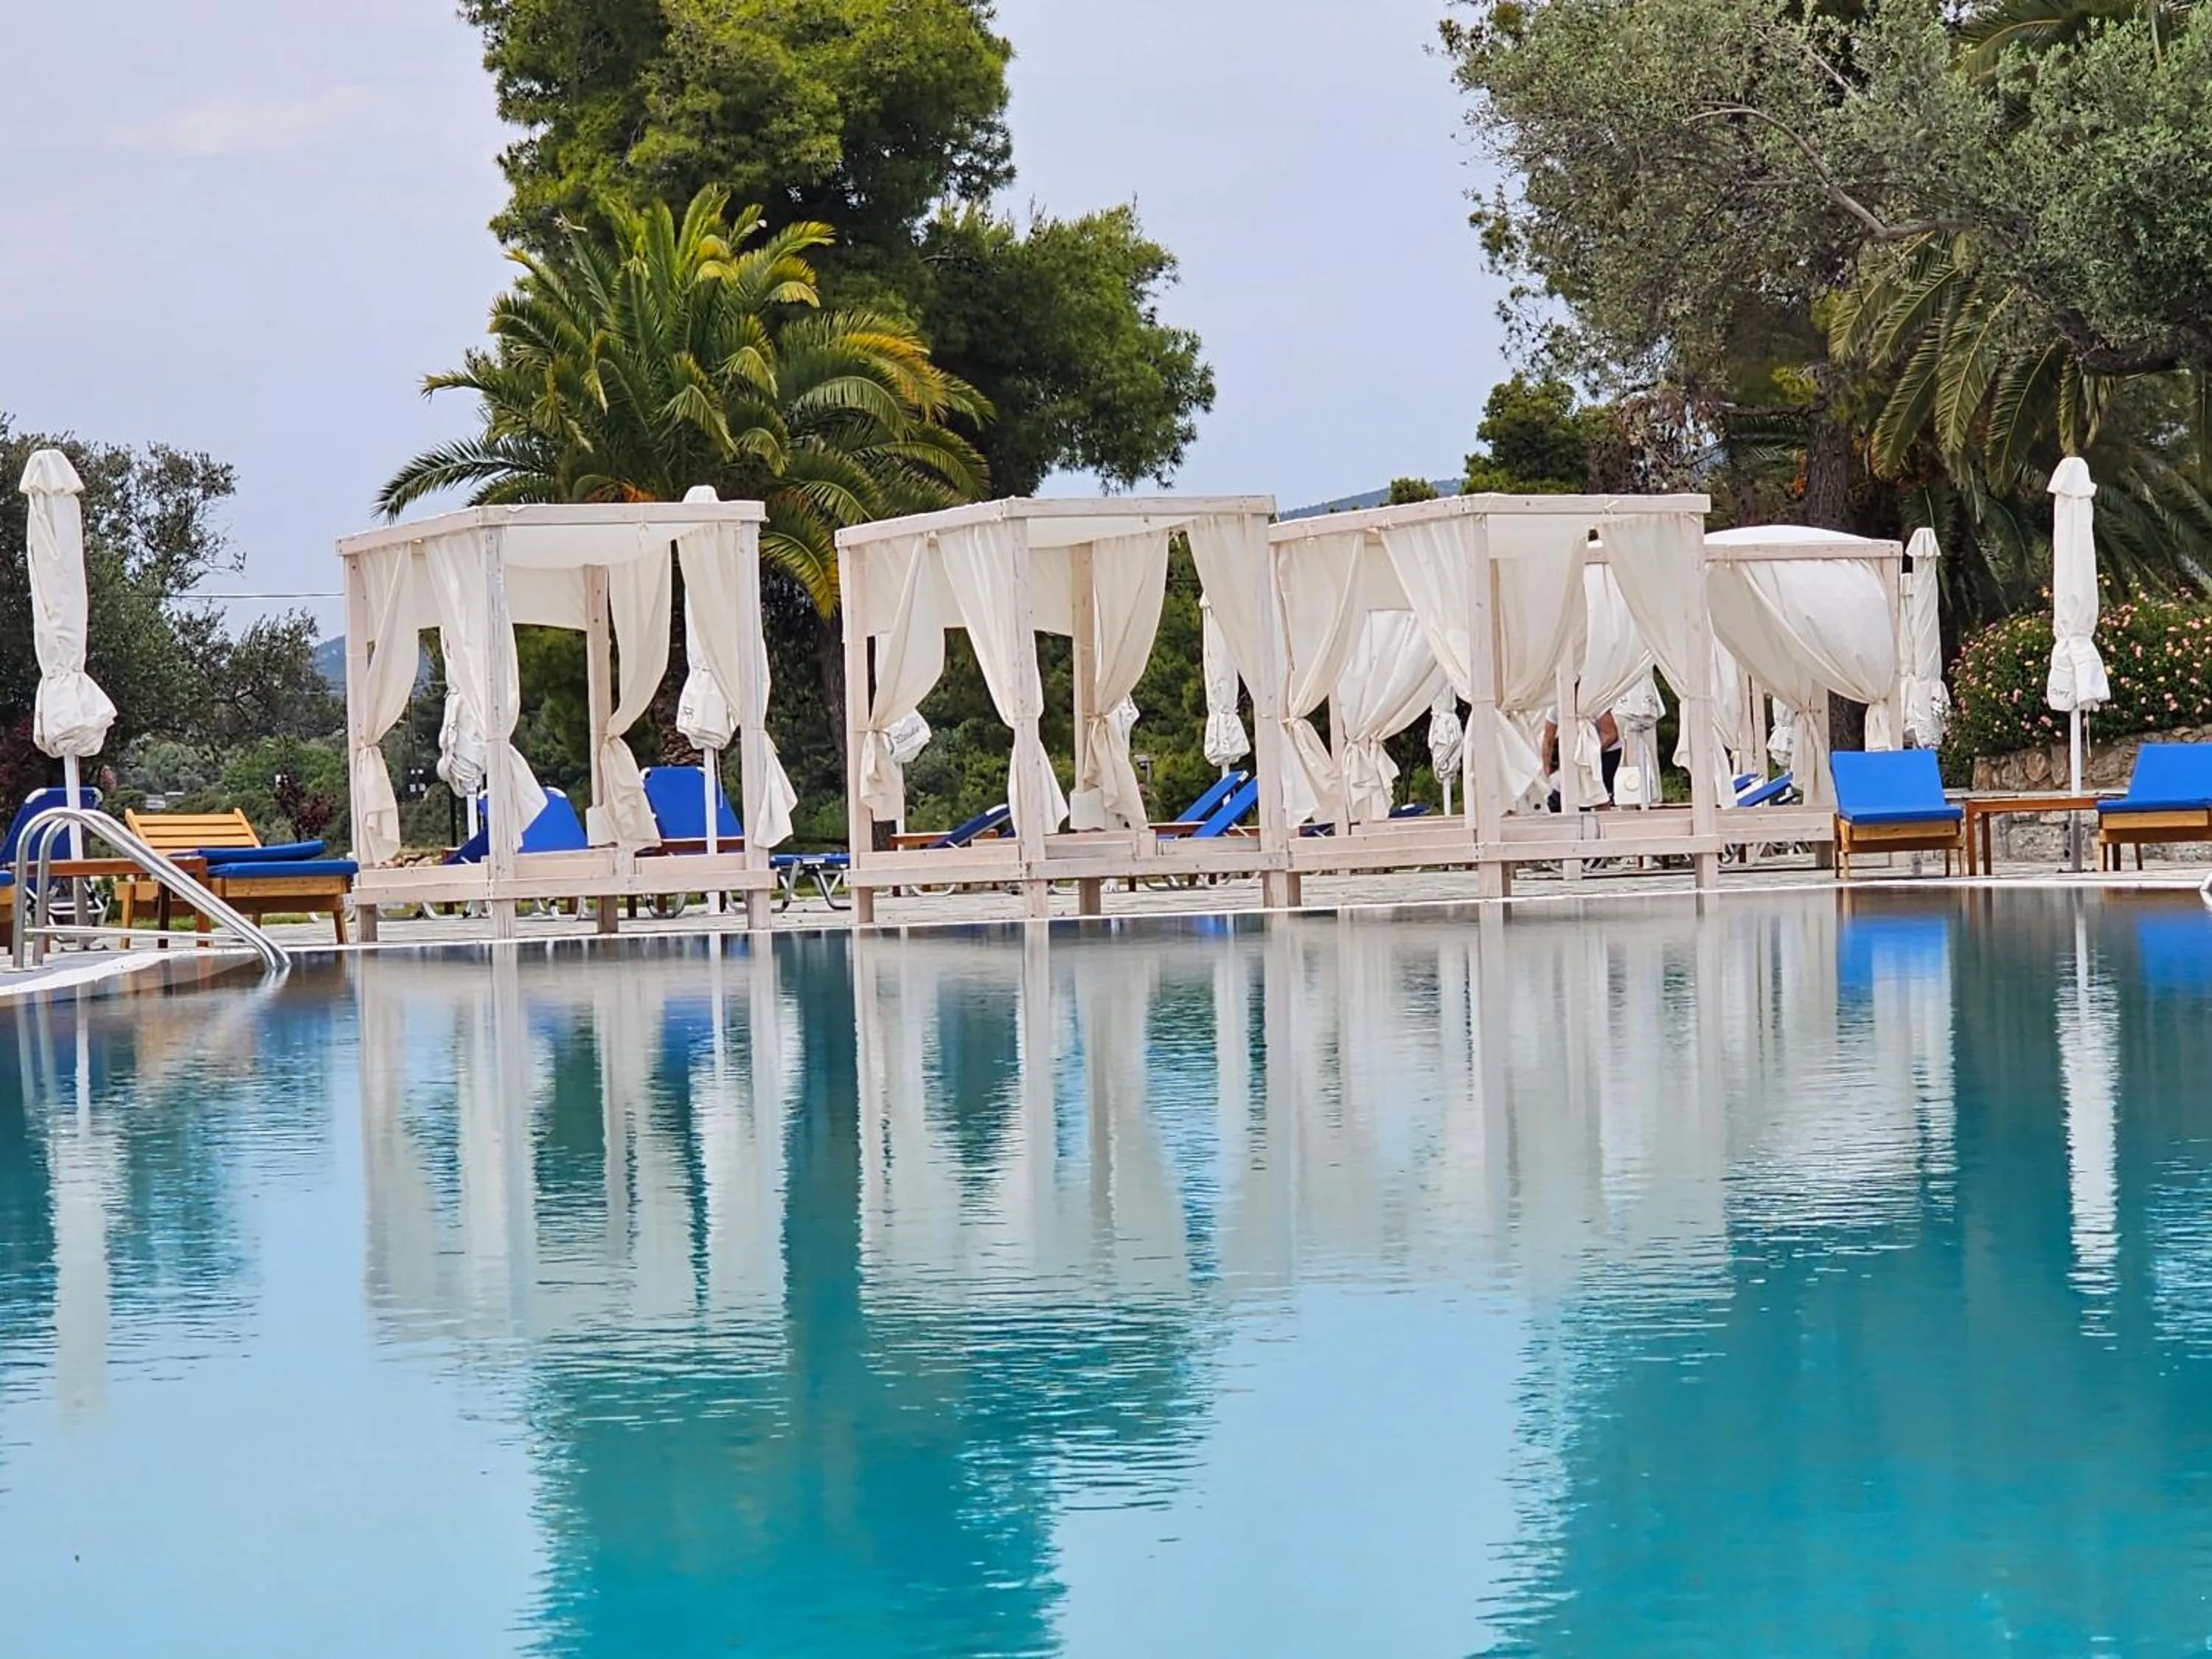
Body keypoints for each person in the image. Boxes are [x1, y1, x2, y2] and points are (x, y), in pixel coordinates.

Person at [1542, 709, 1624, 812]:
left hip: (1606, 749)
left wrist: (1589, 754)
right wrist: (1547, 766)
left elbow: (1610, 736)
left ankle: (1603, 817)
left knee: (1600, 793)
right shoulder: (1554, 709)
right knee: (1572, 788)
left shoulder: (1596, 705)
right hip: (1576, 749)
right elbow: (1548, 739)